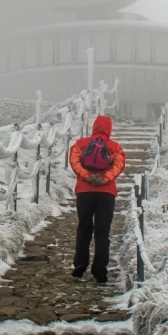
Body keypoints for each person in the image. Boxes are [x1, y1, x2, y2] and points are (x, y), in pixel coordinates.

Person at [68, 113, 126, 283]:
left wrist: (87, 177)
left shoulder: (81, 144)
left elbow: (74, 162)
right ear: (109, 129)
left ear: (94, 127)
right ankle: (100, 269)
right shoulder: (115, 147)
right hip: (106, 193)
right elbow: (119, 166)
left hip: (84, 192)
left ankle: (80, 265)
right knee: (103, 231)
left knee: (84, 228)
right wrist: (104, 179)